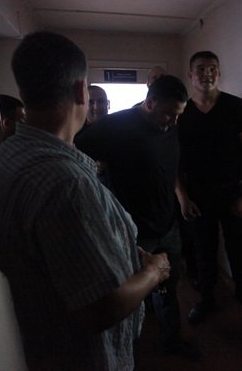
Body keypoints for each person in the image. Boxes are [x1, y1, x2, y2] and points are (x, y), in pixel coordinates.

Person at [0, 31, 170, 371]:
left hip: (41, 337)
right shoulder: (67, 183)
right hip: (83, 355)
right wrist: (154, 272)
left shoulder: (6, 155)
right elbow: (101, 310)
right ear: (81, 90)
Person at [75, 75, 200, 360]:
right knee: (129, 293)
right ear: (150, 102)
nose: (173, 121)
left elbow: (171, 167)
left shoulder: (172, 126)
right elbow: (72, 156)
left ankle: (171, 342)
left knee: (168, 286)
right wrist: (95, 168)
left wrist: (181, 199)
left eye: (178, 115)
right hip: (131, 231)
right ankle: (128, 352)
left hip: (167, 224)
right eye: (168, 113)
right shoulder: (114, 126)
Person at [176, 51, 242, 357]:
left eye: (213, 69)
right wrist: (183, 197)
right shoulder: (182, 112)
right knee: (203, 254)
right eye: (201, 69)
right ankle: (207, 300)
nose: (207, 74)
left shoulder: (236, 108)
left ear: (219, 73)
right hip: (197, 198)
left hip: (233, 196)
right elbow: (172, 160)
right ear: (190, 75)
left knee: (240, 257)